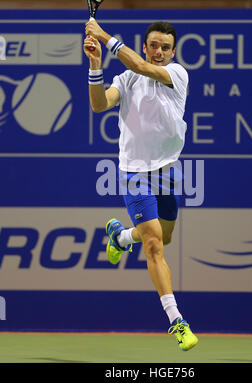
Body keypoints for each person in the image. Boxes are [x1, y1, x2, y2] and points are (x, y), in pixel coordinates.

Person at [84, 19, 198, 351]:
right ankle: (177, 321)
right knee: (153, 245)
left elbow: (138, 64)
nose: (159, 51)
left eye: (165, 47)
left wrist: (103, 36)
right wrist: (95, 65)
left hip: (167, 172)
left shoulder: (177, 74)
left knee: (164, 235)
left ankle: (119, 236)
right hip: (134, 172)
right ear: (145, 44)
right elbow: (99, 104)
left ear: (173, 52)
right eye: (153, 46)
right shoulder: (127, 77)